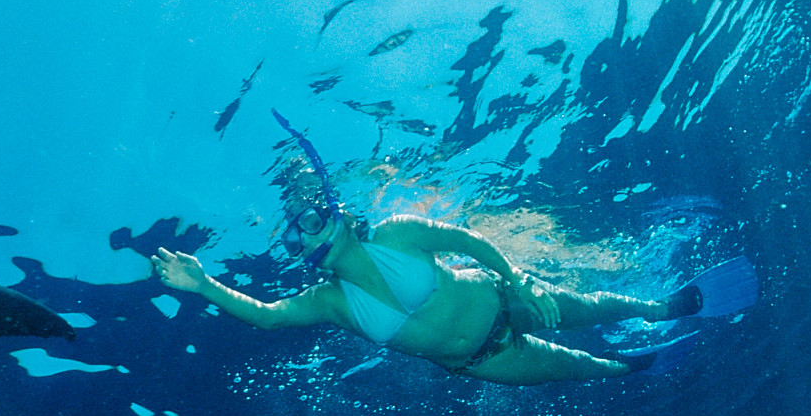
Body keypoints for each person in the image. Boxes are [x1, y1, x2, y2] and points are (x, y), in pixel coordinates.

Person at [150, 111, 757, 385]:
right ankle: (634, 366)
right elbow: (264, 316)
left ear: (334, 211)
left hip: (505, 300)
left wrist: (518, 280)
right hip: (483, 363)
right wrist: (203, 284)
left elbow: (468, 238)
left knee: (593, 308)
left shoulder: (394, 233)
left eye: (309, 217)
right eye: (294, 233)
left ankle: (663, 309)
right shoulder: (328, 301)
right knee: (580, 369)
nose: (304, 233)